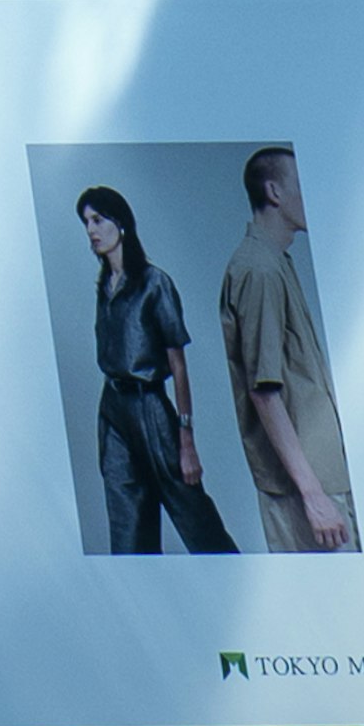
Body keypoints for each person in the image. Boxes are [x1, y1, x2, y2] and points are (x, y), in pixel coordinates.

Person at [74, 184, 238, 554]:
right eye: (86, 222)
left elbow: (178, 367)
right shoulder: (104, 288)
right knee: (128, 529)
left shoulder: (155, 284)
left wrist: (187, 442)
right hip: (112, 409)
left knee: (197, 522)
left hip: (150, 408)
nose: (91, 230)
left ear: (121, 224)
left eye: (98, 220)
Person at [218, 145, 356, 553]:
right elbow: (264, 391)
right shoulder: (258, 269)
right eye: (305, 186)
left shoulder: (273, 261)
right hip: (307, 488)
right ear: (275, 192)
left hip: (321, 477)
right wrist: (314, 496)